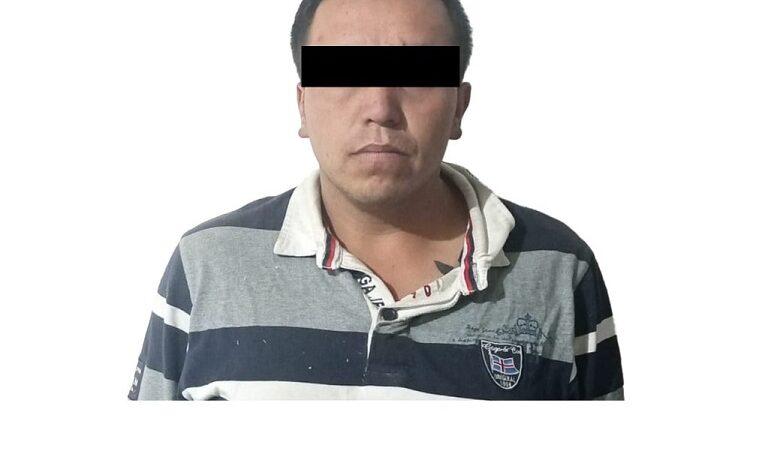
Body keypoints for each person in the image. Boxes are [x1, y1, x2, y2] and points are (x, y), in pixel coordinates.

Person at [128, 0, 624, 400]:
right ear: (303, 105)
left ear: (459, 105)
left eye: (417, 73)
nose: (380, 107)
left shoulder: (559, 269)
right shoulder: (207, 265)